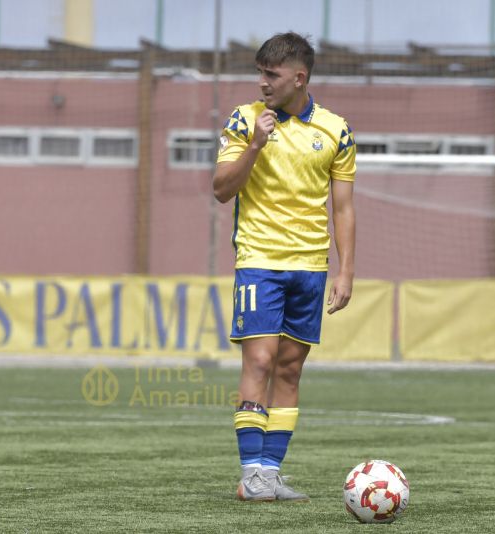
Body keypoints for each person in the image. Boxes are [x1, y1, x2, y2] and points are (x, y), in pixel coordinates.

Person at [213, 32, 356, 502]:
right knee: (259, 360)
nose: (261, 84)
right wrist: (255, 145)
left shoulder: (335, 130)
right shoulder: (245, 120)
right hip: (259, 260)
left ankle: (270, 474)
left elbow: (344, 209)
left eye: (270, 75)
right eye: (259, 74)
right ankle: (251, 474)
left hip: (310, 268)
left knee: (290, 370)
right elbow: (220, 189)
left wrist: (345, 269)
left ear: (299, 77)